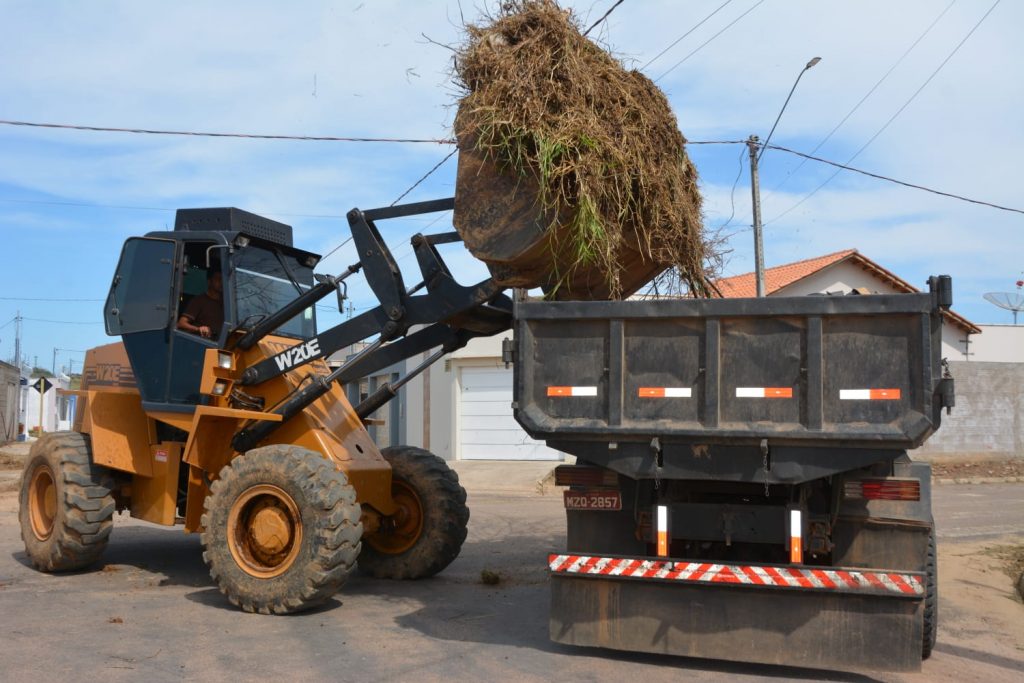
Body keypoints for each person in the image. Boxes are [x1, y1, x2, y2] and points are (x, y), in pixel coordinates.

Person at [177, 269, 224, 339]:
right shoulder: (199, 301)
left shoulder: (226, 304)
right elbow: (181, 323)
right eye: (218, 279)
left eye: (223, 280)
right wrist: (199, 329)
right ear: (209, 282)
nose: (221, 282)